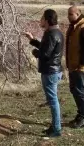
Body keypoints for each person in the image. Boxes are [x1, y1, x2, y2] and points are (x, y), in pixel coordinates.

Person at [24, 9, 64, 138]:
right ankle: (54, 126)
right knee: (53, 100)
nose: (40, 20)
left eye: (42, 18)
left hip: (50, 72)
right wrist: (32, 40)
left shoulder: (51, 34)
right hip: (53, 70)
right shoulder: (55, 32)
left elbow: (45, 53)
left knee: (53, 101)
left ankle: (57, 129)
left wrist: (35, 53)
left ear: (47, 20)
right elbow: (46, 48)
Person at [65, 5, 84, 128]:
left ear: (78, 14)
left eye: (71, 14)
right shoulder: (74, 27)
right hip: (73, 66)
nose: (69, 17)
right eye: (68, 14)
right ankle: (81, 114)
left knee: (81, 91)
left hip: (80, 66)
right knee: (74, 90)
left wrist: (82, 65)